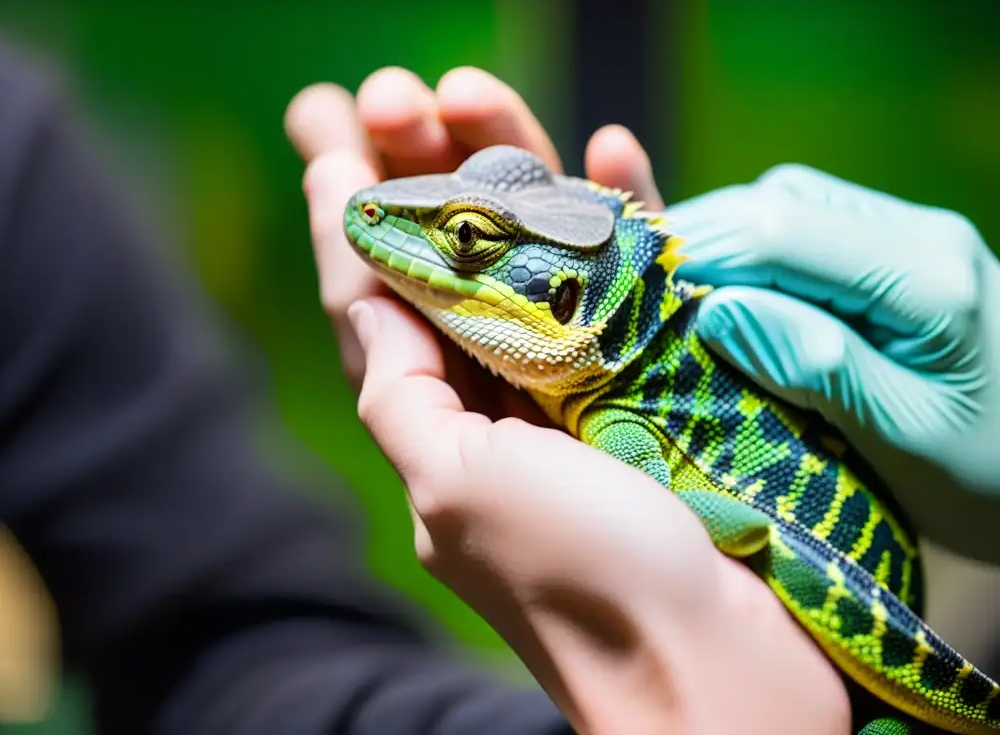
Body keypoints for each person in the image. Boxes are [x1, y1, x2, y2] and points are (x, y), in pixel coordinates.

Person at [285, 65, 1000, 733]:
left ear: (566, 297)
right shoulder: (624, 398)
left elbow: (749, 531)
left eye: (468, 237)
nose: (380, 215)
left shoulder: (625, 433)